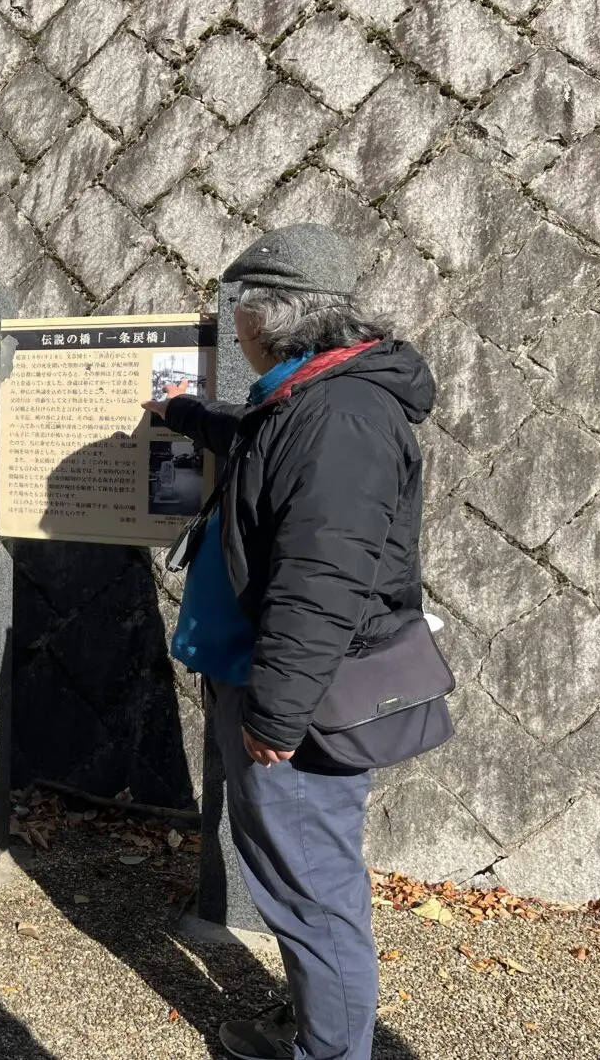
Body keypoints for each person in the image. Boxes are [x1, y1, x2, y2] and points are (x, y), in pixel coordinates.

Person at [144, 225, 435, 1060]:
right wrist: (189, 415)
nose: (234, 321)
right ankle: (317, 1017)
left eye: (240, 306)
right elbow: (264, 447)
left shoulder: (343, 415)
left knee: (312, 881)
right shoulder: (313, 395)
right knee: (288, 867)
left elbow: (322, 582)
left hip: (299, 700)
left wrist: (272, 716)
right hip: (272, 679)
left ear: (271, 318)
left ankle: (331, 1046)